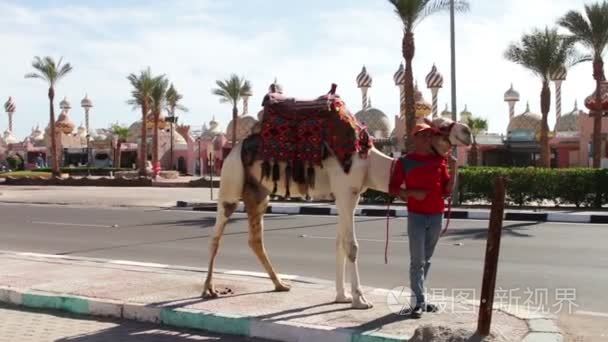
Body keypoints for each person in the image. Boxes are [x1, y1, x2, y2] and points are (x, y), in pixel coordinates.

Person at [389, 123, 454, 318]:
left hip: (436, 215)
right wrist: (410, 193)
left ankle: (420, 299)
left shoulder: (440, 161)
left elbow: (446, 190)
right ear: (415, 138)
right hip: (416, 215)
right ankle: (418, 302)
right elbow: (392, 187)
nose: (427, 139)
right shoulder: (405, 162)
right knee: (417, 260)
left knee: (426, 260)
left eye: (429, 136)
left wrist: (455, 169)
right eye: (423, 136)